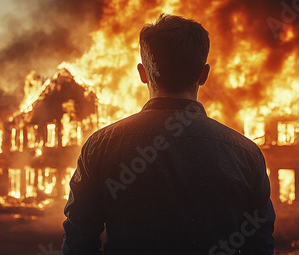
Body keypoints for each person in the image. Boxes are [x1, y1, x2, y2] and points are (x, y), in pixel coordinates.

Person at [62, 14, 275, 255]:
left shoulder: (101, 146)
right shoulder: (246, 154)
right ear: (203, 75)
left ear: (143, 73)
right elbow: (260, 247)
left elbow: (78, 244)